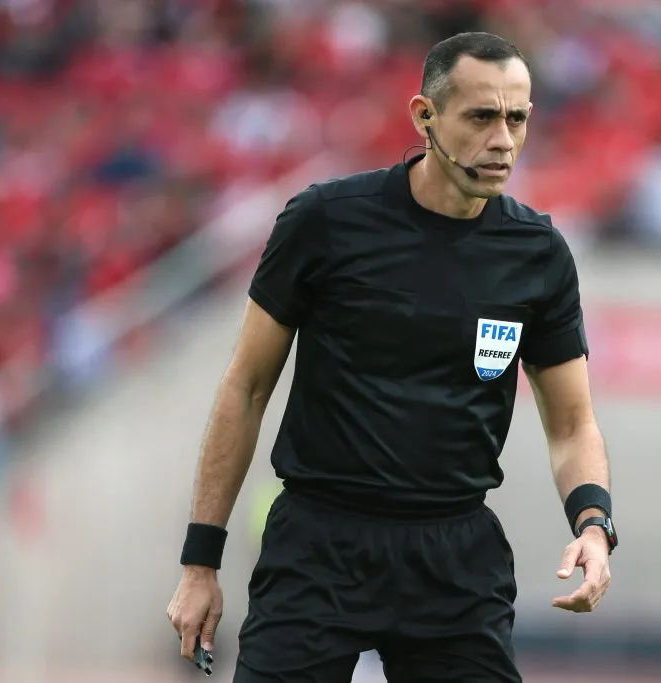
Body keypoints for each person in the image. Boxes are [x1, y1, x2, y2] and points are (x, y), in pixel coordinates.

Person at [166, 32, 618, 683]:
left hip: (455, 558)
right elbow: (247, 386)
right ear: (424, 116)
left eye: (516, 117)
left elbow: (572, 423)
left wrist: (595, 523)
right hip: (319, 549)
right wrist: (199, 562)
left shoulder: (538, 254)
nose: (503, 139)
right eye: (481, 116)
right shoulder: (325, 222)